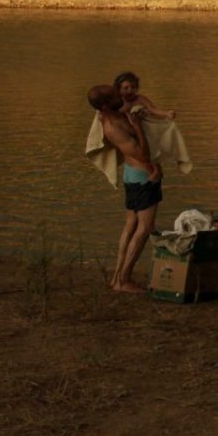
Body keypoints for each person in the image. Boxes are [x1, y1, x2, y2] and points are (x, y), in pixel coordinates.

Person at [90, 83, 162, 293]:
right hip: (142, 177)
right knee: (144, 228)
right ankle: (124, 280)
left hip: (133, 175)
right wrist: (138, 127)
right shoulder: (113, 126)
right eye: (114, 95)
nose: (120, 95)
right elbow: (143, 155)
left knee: (131, 224)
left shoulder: (111, 114)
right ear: (104, 104)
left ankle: (117, 278)